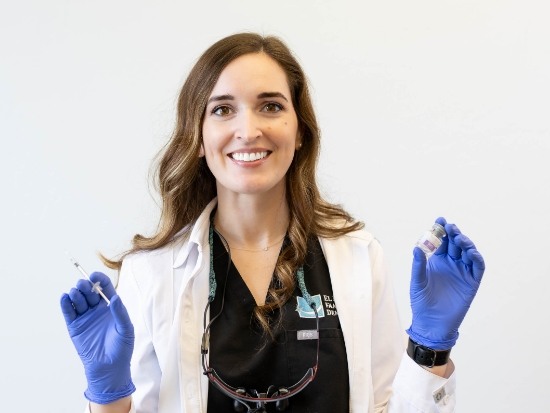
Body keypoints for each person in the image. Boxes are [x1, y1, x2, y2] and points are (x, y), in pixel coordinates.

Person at [60, 32, 485, 413]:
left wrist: (431, 348)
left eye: (270, 106)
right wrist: (108, 393)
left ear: (299, 130)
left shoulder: (356, 256)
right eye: (223, 109)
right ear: (199, 137)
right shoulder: (151, 273)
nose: (248, 129)